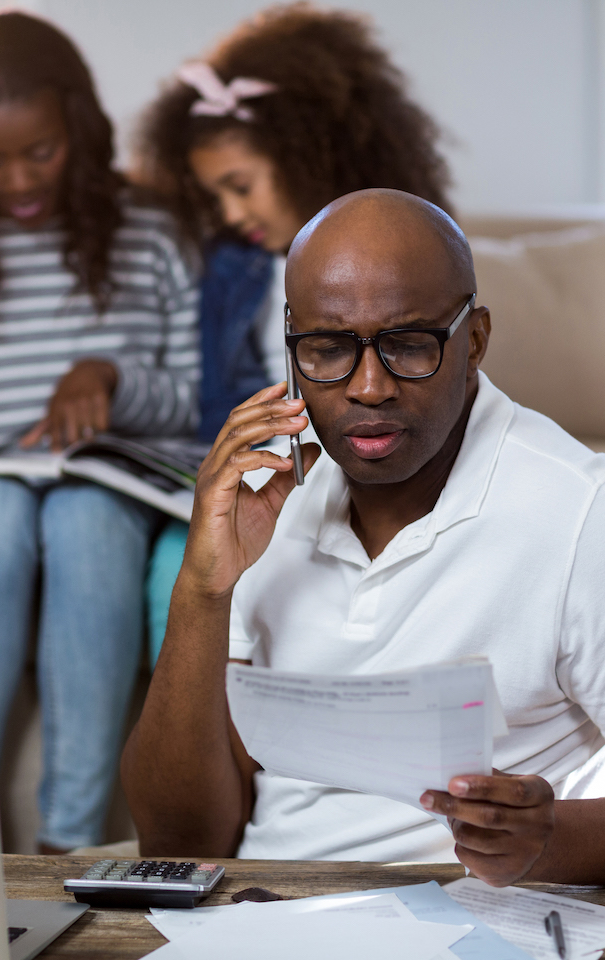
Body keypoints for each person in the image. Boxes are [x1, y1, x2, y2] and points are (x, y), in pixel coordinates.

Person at [121, 189, 605, 886]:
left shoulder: (593, 516)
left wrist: (552, 836)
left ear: (473, 341)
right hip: (262, 923)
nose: (368, 386)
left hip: (476, 928)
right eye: (328, 348)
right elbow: (179, 842)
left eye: (408, 344)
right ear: (292, 344)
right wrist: (203, 590)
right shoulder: (265, 500)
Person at [0, 12, 200, 853]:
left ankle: (67, 845)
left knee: (80, 519)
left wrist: (108, 377)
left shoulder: (153, 231)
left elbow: (187, 402)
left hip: (102, 486)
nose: (17, 179)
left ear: (77, 124)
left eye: (41, 150)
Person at [134, 4, 450, 664]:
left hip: (341, 470)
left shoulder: (401, 266)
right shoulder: (235, 266)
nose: (231, 212)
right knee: (180, 565)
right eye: (214, 196)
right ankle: (209, 753)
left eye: (240, 186)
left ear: (303, 155)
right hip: (251, 473)